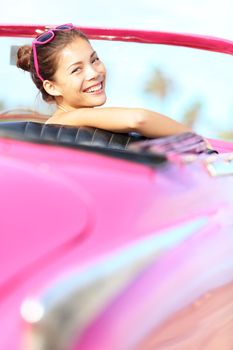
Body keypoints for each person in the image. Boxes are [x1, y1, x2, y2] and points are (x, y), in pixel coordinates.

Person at [16, 23, 192, 138]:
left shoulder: (76, 121)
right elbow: (138, 119)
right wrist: (200, 142)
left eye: (94, 60)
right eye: (77, 69)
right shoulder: (68, 119)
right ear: (52, 87)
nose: (94, 73)